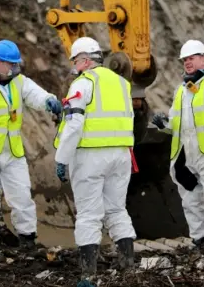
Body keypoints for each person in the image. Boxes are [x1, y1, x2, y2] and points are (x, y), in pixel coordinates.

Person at [0, 39, 62, 250]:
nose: (14, 68)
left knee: (22, 196)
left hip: (12, 152)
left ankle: (27, 239)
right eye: (10, 64)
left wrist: (48, 100)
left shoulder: (19, 82)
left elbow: (36, 95)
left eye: (16, 64)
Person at [53, 37, 137, 278]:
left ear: (86, 60)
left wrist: (61, 158)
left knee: (89, 213)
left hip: (91, 156)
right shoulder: (122, 84)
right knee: (117, 209)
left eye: (76, 62)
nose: (75, 67)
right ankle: (127, 265)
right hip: (121, 155)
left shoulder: (84, 83)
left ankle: (88, 272)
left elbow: (74, 124)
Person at [150, 39, 204, 252]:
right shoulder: (182, 90)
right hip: (185, 155)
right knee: (190, 200)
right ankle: (200, 240)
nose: (187, 62)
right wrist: (163, 125)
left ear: (203, 58)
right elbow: (176, 125)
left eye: (191, 58)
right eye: (185, 59)